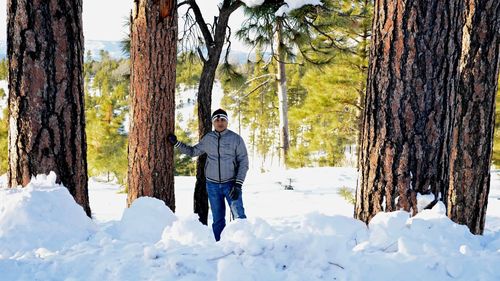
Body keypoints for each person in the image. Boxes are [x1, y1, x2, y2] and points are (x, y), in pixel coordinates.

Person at [168, 108, 249, 241]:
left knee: (239, 216)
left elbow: (244, 162)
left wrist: (238, 184)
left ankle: (244, 243)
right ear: (213, 122)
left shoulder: (236, 139)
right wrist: (177, 143)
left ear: (227, 122)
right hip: (212, 185)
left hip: (231, 184)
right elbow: (193, 151)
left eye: (223, 119)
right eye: (217, 120)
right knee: (218, 219)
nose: (220, 122)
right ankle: (220, 244)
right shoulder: (208, 139)